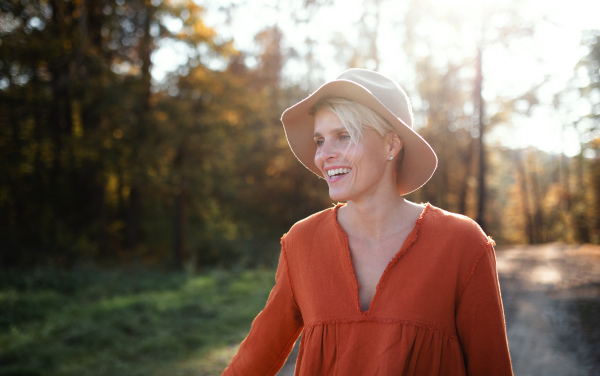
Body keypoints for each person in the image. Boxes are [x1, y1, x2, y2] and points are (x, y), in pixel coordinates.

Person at [222, 69, 513, 376]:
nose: (324, 155)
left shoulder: (462, 243)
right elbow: (252, 362)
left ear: (391, 145)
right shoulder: (301, 242)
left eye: (344, 136)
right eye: (320, 140)